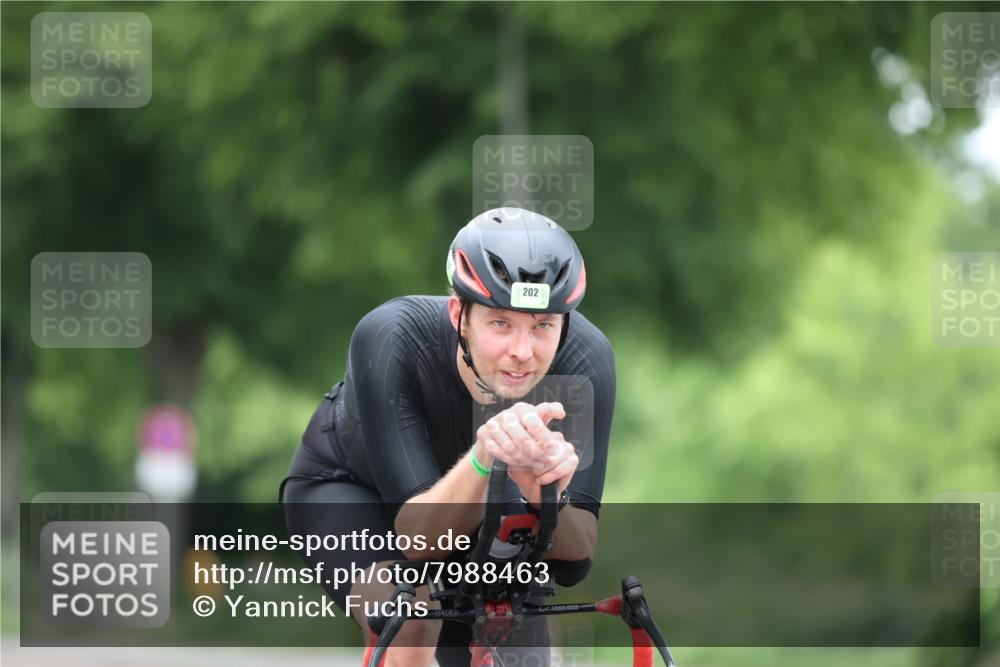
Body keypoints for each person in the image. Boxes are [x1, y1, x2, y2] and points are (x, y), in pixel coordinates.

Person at [280, 207, 616, 667]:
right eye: (501, 323)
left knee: (524, 649)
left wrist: (546, 500)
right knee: (408, 621)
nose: (522, 352)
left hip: (488, 504)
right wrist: (484, 455)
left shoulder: (584, 363)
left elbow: (576, 561)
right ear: (460, 314)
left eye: (542, 326)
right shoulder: (391, 337)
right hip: (355, 491)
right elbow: (417, 542)